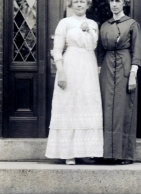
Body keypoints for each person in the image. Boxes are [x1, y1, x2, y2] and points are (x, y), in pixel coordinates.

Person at [45, 0, 103, 165]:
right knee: (69, 104)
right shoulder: (65, 23)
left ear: (87, 5)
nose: (79, 4)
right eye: (76, 1)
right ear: (70, 4)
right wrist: (61, 72)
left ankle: (84, 150)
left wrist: (88, 31)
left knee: (87, 104)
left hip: (88, 66)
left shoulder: (92, 23)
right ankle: (68, 152)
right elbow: (57, 49)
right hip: (70, 65)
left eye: (82, 1)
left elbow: (93, 45)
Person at [98, 0, 141, 165]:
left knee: (123, 108)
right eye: (112, 1)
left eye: (118, 1)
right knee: (106, 107)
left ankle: (125, 154)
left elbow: (136, 51)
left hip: (125, 64)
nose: (114, 4)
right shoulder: (104, 25)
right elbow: (100, 53)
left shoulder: (132, 24)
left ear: (124, 3)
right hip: (107, 67)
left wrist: (132, 74)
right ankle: (105, 153)